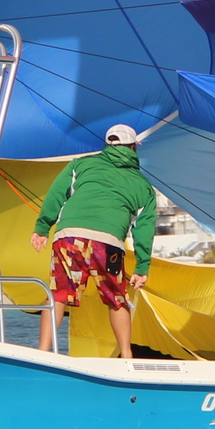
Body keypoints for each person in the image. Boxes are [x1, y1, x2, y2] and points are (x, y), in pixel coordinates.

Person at [31, 123, 157, 356]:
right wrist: (142, 266)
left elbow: (56, 194)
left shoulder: (80, 164)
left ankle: (42, 352)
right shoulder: (144, 187)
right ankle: (126, 355)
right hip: (108, 244)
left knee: (59, 294)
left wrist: (42, 228)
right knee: (116, 299)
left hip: (70, 237)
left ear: (107, 144)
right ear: (134, 147)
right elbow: (144, 229)